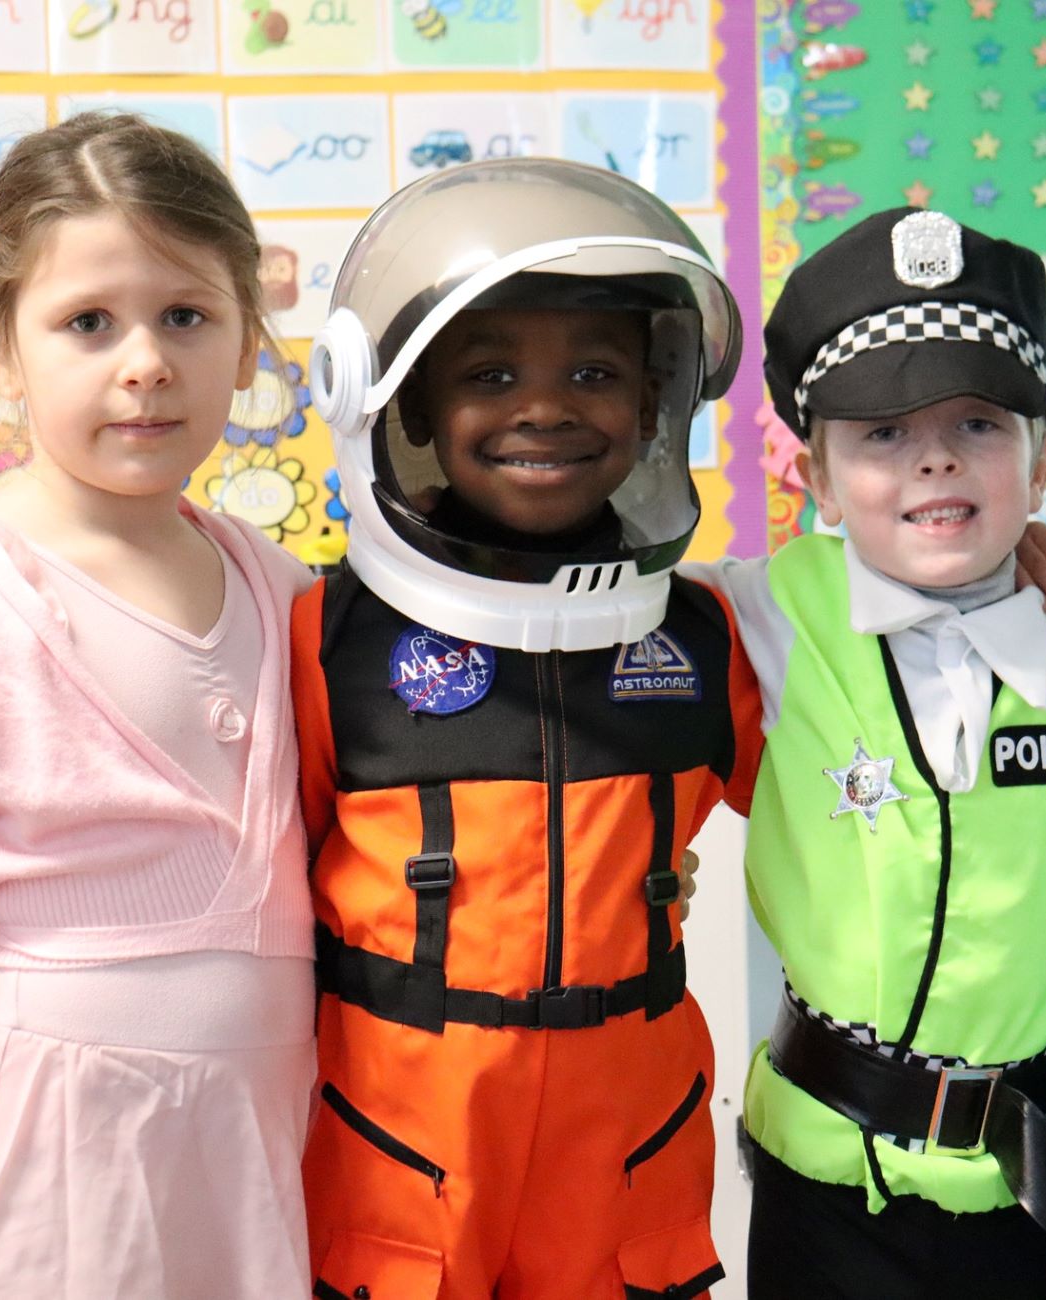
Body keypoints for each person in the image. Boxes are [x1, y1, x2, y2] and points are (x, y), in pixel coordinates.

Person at [0, 114, 319, 1298]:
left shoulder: (285, 592)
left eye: (186, 315)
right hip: (53, 1162)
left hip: (269, 1151)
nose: (144, 361)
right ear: (2, 354)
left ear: (248, 343)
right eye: (88, 322)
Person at [291, 158, 763, 1299]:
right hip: (401, 1147)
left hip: (624, 1153)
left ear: (658, 400)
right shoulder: (326, 640)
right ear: (397, 402)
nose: (544, 407)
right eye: (489, 372)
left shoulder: (707, 635)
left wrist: (1012, 580)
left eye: (596, 372)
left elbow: (869, 763)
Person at [691, 208, 1046, 1300]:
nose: (931, 455)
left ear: (1043, 455)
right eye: (880, 433)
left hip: (1033, 1179)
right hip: (825, 1177)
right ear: (815, 482)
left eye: (978, 424)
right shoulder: (762, 613)